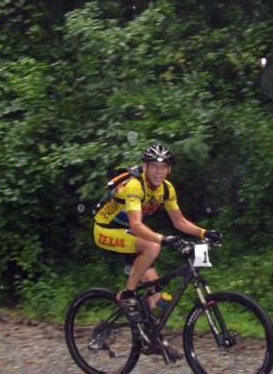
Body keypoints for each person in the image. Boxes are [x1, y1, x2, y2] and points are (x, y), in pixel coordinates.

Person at [93, 142, 221, 358]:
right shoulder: (135, 186)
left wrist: (204, 233)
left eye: (163, 166)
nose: (159, 171)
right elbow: (135, 225)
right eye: (154, 166)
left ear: (169, 169)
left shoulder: (167, 189)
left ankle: (152, 340)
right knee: (152, 246)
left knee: (159, 297)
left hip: (131, 235)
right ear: (145, 167)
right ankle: (127, 295)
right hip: (107, 229)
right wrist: (165, 239)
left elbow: (179, 221)